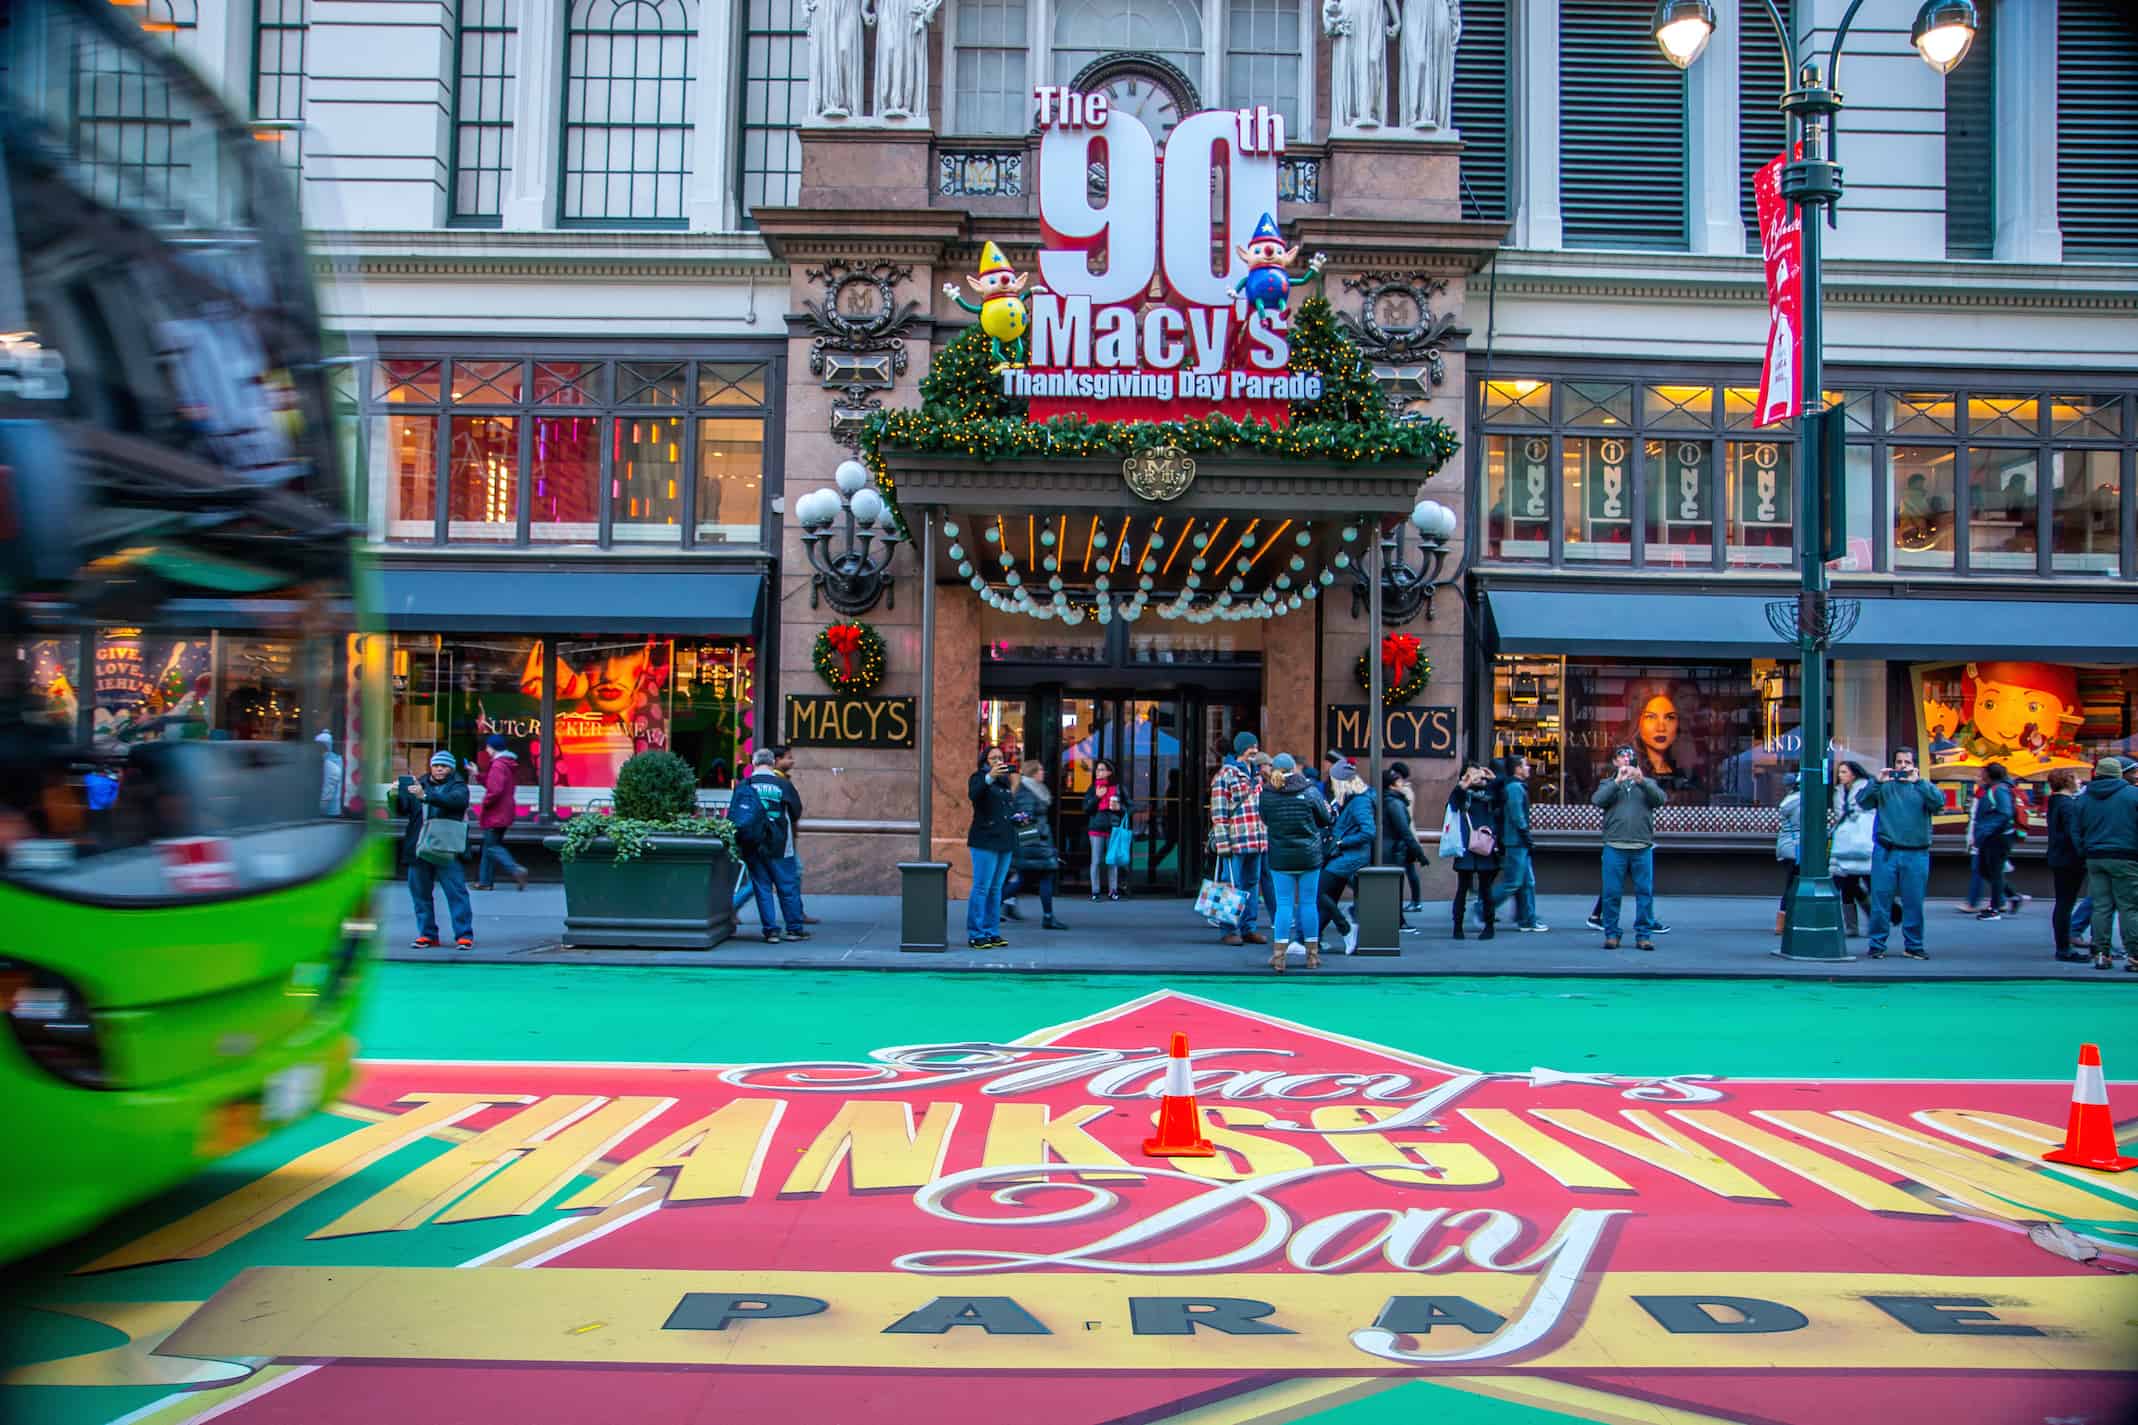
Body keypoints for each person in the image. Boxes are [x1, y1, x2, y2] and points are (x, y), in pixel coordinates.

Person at [1860, 747, 1945, 960]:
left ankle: (1914, 945)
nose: (1903, 767)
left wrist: (1919, 782)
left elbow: (1939, 803)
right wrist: (1878, 781)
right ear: (1893, 764)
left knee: (1914, 902)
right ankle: (1877, 945)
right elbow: (1863, 802)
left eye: (1907, 762)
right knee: (1880, 902)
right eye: (1899, 762)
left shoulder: (1922, 787)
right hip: (1886, 851)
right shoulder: (1884, 786)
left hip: (1916, 853)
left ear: (1914, 765)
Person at [730, 748, 809, 945]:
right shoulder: (782, 784)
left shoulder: (744, 785)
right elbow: (796, 811)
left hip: (752, 843)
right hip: (780, 843)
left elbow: (734, 814)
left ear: (754, 764)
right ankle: (794, 929)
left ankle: (771, 932)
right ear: (773, 763)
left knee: (761, 887)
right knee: (787, 886)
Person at [1258, 753, 1329, 971]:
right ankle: (1312, 956)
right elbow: (1324, 819)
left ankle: (1279, 957)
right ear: (1293, 769)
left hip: (1281, 857)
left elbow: (1265, 819)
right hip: (1309, 855)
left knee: (1284, 905)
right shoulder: (1309, 791)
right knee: (1308, 903)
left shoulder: (1267, 794)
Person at [397, 750, 473, 950]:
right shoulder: (419, 783)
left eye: (444, 766)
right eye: (436, 765)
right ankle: (427, 934)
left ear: (451, 768)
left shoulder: (458, 786)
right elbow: (403, 810)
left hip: (446, 847)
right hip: (419, 846)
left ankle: (464, 935)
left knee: (456, 892)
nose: (439, 769)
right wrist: (396, 794)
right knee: (420, 894)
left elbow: (456, 801)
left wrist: (426, 796)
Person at [1592, 744, 1665, 951]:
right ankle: (1612, 934)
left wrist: (1641, 781)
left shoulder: (1647, 783)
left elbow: (1660, 800)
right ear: (1615, 762)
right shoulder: (1608, 783)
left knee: (1644, 893)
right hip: (1615, 845)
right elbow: (1597, 800)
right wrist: (1617, 782)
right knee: (1611, 892)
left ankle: (1643, 935)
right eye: (1622, 757)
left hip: (1642, 846)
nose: (1626, 760)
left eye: (1630, 757)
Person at [2074, 756, 2138, 973]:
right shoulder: (2133, 795)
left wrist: (2084, 849)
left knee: (2101, 907)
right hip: (2126, 856)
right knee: (2129, 906)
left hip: (2095, 857)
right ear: (2119, 774)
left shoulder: (2083, 798)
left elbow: (2076, 829)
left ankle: (2102, 954)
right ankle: (2134, 957)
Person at [1209, 732, 1270, 948]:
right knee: (1231, 883)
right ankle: (1229, 929)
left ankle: (1248, 928)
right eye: (1251, 747)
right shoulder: (1225, 775)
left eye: (1256, 746)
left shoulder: (1257, 775)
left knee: (1251, 884)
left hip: (1256, 838)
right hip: (1236, 840)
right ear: (1241, 749)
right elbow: (1219, 812)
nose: (1255, 750)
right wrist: (1223, 844)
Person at [1004, 758, 1068, 931]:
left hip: (1037, 843)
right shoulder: (1026, 792)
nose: (1043, 772)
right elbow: (1022, 818)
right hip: (1035, 844)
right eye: (1040, 770)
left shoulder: (1036, 789)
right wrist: (1036, 843)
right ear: (1032, 772)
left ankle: (994, 905)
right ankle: (1047, 917)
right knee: (1041, 877)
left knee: (1028, 879)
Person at [1317, 761, 1374, 953]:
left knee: (1319, 892)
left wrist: (1343, 842)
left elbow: (1368, 832)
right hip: (1346, 856)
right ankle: (1312, 939)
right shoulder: (1355, 799)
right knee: (1327, 896)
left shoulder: (1359, 801)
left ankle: (1346, 928)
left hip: (1350, 857)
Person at [965, 748, 1016, 949]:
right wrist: (988, 778)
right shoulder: (978, 778)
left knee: (996, 889)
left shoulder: (1005, 782)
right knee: (981, 887)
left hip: (1005, 840)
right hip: (985, 840)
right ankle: (976, 933)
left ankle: (992, 931)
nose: (997, 761)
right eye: (993, 758)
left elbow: (1007, 808)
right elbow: (974, 795)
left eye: (1000, 758)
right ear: (985, 761)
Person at [1489, 754, 1546, 932]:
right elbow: (1517, 815)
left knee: (1527, 882)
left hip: (1519, 841)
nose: (1529, 768)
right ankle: (1483, 907)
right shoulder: (1514, 788)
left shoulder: (1517, 786)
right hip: (1516, 842)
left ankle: (1528, 919)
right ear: (1517, 769)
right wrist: (1525, 834)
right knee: (1513, 883)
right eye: (1526, 765)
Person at [1447, 761, 1503, 940]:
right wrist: (1464, 784)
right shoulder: (1462, 793)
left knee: (1486, 889)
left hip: (1485, 844)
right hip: (1466, 846)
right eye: (1471, 774)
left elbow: (1503, 797)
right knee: (1462, 888)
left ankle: (1489, 925)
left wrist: (1494, 779)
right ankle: (1457, 926)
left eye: (1478, 774)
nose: (1476, 778)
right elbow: (1453, 805)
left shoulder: (1490, 792)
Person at [472, 733, 529, 891]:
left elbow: (495, 790)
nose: (486, 749)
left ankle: (516, 869)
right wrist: (477, 774)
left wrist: (485, 803)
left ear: (492, 748)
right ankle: (485, 881)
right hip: (504, 811)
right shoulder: (505, 763)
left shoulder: (498, 765)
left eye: (488, 747)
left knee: (491, 846)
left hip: (496, 812)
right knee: (489, 845)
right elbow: (493, 783)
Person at [2046, 768, 2089, 964]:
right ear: (2067, 781)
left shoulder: (2055, 802)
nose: (2079, 782)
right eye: (2076, 778)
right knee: (2066, 903)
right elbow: (2074, 833)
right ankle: (2064, 948)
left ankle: (2062, 945)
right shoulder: (2068, 805)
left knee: (2063, 902)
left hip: (2058, 857)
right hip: (2069, 859)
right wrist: (2082, 853)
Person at [772, 745, 819, 925]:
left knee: (767, 877)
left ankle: (798, 913)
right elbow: (793, 809)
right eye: (788, 757)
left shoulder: (782, 779)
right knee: (788, 873)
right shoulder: (778, 781)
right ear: (776, 760)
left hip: (783, 836)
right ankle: (796, 916)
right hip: (779, 838)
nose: (792, 761)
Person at [1830, 760, 1875, 936]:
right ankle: (1851, 926)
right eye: (1839, 772)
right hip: (1845, 843)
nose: (1840, 775)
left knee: (1869, 882)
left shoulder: (1865, 788)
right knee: (1847, 885)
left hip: (1863, 841)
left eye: (1844, 772)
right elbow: (1838, 815)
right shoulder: (1839, 792)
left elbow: (1868, 813)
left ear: (1853, 774)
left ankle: (1876, 920)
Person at [1381, 765, 1428, 933]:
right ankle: (1398, 921)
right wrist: (1420, 853)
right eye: (1398, 781)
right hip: (1393, 849)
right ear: (1391, 785)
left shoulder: (1389, 799)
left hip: (1389, 848)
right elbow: (1404, 830)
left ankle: (1397, 920)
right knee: (1395, 886)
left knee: (1393, 886)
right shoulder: (1394, 803)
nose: (1402, 783)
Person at [1969, 763, 2017, 922]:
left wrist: (1987, 830)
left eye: (1983, 773)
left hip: (1998, 837)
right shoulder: (1993, 789)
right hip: (1990, 836)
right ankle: (2012, 896)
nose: (1981, 776)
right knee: (1984, 869)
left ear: (1990, 775)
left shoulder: (1999, 789)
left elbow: (2005, 813)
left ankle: (1995, 908)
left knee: (1994, 871)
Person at [1083, 757, 1126, 901]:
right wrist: (1096, 797)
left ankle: (1113, 890)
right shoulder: (1092, 788)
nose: (1098, 772)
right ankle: (1095, 891)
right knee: (1095, 861)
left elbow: (1130, 806)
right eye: (1097, 769)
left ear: (1109, 772)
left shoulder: (1118, 788)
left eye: (1101, 770)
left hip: (1112, 828)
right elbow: (1086, 809)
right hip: (1095, 829)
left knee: (1112, 861)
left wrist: (1120, 808)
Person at [1390, 762, 1427, 912]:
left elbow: (1406, 815)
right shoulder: (1406, 790)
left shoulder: (1404, 792)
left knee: (1408, 870)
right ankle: (1416, 901)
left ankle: (1416, 901)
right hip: (1408, 836)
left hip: (1406, 837)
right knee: (1409, 870)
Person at [1774, 771, 1801, 936]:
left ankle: (1783, 921)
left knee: (1792, 884)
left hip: (1787, 846)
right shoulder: (1800, 802)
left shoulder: (1789, 800)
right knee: (1793, 885)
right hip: (1796, 848)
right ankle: (1784, 922)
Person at [316, 730, 345, 818]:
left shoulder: (329, 762)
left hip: (329, 810)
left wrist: (322, 805)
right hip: (329, 807)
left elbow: (328, 786)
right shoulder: (335, 759)